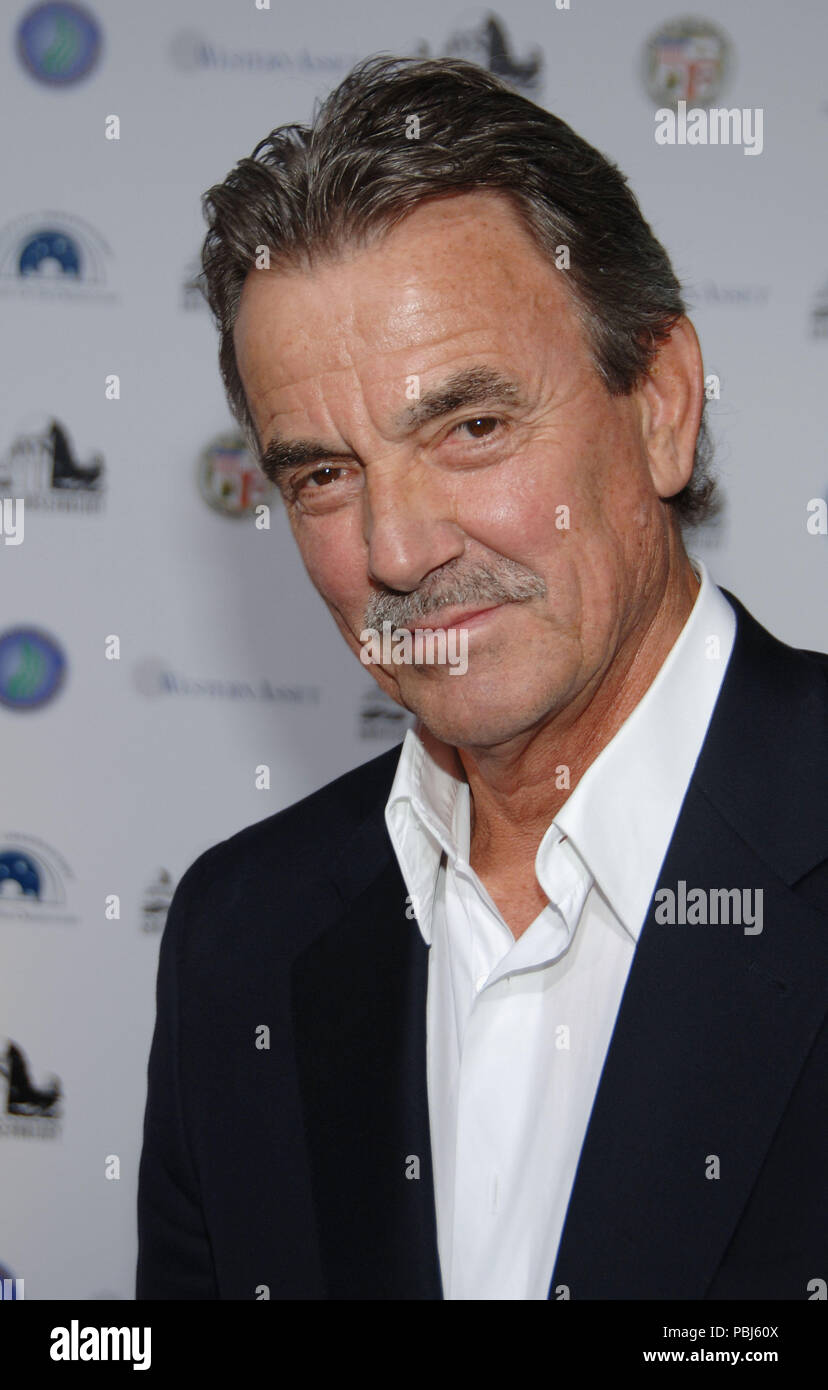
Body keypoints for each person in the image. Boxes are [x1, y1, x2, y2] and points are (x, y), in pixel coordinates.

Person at [136, 55, 828, 1300]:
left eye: (470, 428)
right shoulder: (239, 937)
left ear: (662, 402)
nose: (396, 551)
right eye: (322, 476)